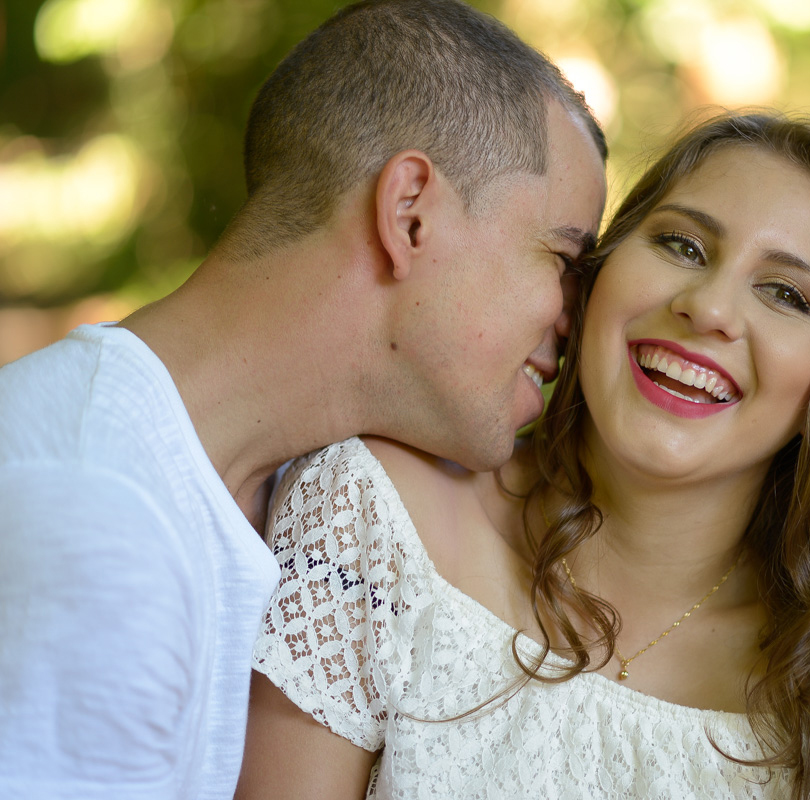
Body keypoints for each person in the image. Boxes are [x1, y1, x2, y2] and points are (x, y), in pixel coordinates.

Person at [238, 113, 810, 800]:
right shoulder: (374, 516)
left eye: (787, 294)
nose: (709, 308)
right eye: (681, 244)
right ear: (596, 276)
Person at [0, 1, 606, 796]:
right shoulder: (97, 516)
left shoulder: (269, 496)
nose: (575, 314)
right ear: (410, 215)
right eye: (561, 256)